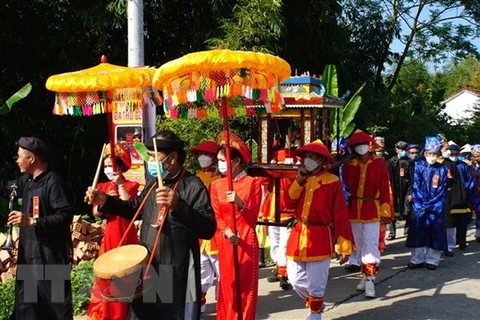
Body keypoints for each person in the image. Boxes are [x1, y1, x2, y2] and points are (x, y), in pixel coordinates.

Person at [85, 131, 216, 320]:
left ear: (172, 158)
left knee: (173, 314)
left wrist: (179, 206)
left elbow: (208, 228)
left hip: (176, 268)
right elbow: (133, 209)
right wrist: (105, 201)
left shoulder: (193, 185)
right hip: (148, 266)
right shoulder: (153, 183)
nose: (150, 161)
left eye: (155, 156)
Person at [6, 137, 73, 320]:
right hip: (30, 257)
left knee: (55, 308)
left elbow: (65, 215)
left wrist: (33, 222)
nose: (17, 160)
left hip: (51, 258)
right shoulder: (27, 181)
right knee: (28, 308)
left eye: (20, 157)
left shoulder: (52, 182)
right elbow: (8, 186)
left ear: (32, 159)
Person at [285, 140, 353, 319]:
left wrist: (344, 244)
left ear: (322, 160)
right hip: (299, 234)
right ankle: (316, 303)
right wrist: (299, 181)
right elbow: (288, 203)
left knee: (316, 282)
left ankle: (315, 313)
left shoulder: (332, 181)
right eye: (305, 156)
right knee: (294, 279)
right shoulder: (300, 179)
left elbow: (340, 215)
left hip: (320, 236)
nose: (307, 160)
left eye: (311, 157)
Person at [210, 131, 262, 320]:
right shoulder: (217, 186)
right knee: (227, 285)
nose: (219, 164)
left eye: (223, 160)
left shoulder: (253, 184)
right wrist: (226, 231)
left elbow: (253, 217)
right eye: (218, 160)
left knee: (245, 286)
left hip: (246, 239)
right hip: (227, 241)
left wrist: (241, 204)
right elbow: (216, 215)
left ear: (237, 161)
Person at [87, 144, 139, 320]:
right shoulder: (101, 186)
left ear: (121, 167)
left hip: (127, 233)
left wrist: (120, 186)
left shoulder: (132, 184)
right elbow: (96, 213)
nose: (108, 169)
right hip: (110, 233)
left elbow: (129, 205)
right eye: (106, 166)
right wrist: (99, 198)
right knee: (109, 276)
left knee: (127, 274)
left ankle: (127, 312)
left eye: (111, 166)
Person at [341, 129, 393, 298]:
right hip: (354, 209)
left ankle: (370, 279)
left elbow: (385, 188)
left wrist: (386, 211)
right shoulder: (350, 165)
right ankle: (364, 276)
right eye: (357, 145)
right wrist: (347, 164)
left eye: (363, 144)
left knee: (370, 244)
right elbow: (348, 184)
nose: (361, 147)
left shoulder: (379, 163)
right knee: (359, 245)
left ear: (369, 145)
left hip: (372, 208)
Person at [406, 136, 448, 270]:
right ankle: (417, 259)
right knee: (418, 232)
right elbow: (416, 185)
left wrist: (432, 204)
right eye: (429, 154)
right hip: (419, 207)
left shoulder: (442, 169)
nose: (432, 156)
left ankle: (432, 260)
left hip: (435, 208)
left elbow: (442, 189)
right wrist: (420, 204)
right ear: (424, 153)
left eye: (434, 154)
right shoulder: (418, 166)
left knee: (435, 233)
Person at [189, 140, 221, 314]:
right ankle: (199, 309)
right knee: (201, 274)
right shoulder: (194, 178)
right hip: (200, 233)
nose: (203, 158)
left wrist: (217, 177)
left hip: (218, 232)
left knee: (222, 273)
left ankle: (224, 309)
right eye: (201, 154)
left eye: (208, 155)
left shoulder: (222, 179)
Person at [387, 141, 411, 240]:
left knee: (408, 209)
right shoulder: (391, 161)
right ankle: (392, 233)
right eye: (400, 149)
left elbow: (412, 178)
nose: (402, 151)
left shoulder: (410, 162)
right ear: (396, 149)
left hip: (406, 189)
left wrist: (411, 191)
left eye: (404, 149)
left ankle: (407, 230)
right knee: (392, 211)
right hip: (394, 189)